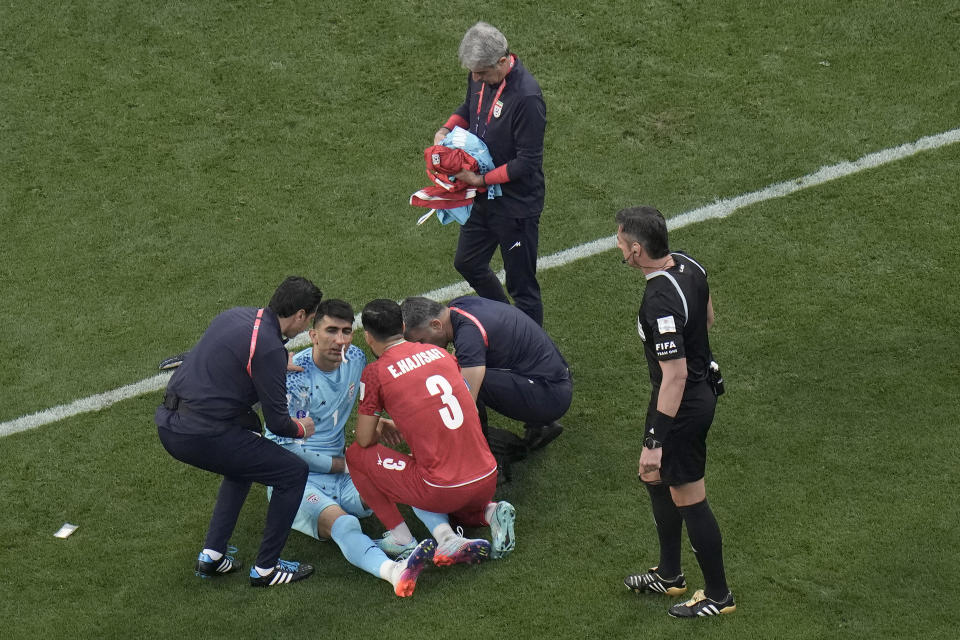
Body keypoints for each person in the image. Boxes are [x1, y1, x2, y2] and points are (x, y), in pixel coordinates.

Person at [155, 276, 322, 588]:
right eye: (309, 319)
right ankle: (266, 569)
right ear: (300, 314)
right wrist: (303, 427)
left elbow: (228, 355)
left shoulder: (236, 316)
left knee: (245, 457)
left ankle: (212, 555)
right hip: (200, 434)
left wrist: (273, 361)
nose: (306, 326)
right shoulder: (269, 349)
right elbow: (279, 423)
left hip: (171, 421)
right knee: (292, 473)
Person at [264, 299, 435, 597]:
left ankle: (445, 539)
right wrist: (341, 464)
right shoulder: (292, 379)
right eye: (331, 331)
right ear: (313, 335)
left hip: (344, 470)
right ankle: (394, 573)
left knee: (407, 476)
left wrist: (380, 423)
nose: (339, 340)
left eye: (346, 331)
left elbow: (362, 403)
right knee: (344, 526)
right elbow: (280, 448)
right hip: (297, 481)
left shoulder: (355, 359)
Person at [614, 206, 736, 618]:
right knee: (652, 476)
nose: (617, 246)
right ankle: (670, 575)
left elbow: (676, 375)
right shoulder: (688, 263)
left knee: (689, 496)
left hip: (682, 404)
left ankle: (719, 596)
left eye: (620, 241)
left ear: (635, 251)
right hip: (690, 391)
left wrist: (655, 439)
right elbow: (708, 317)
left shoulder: (659, 299)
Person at [345, 299, 516, 572]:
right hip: (487, 476)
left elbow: (364, 439)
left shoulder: (376, 372)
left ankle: (404, 539)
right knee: (431, 470)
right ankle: (489, 512)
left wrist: (379, 425)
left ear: (367, 336)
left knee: (355, 455)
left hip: (444, 488)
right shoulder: (439, 354)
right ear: (402, 326)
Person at [433, 21, 547, 326]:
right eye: (473, 72)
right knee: (468, 262)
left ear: (502, 61)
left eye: (482, 72)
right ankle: (508, 323)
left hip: (516, 205)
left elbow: (527, 163)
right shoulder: (480, 75)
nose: (476, 77)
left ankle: (536, 354)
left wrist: (480, 180)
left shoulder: (527, 98)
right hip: (483, 197)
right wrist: (447, 128)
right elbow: (470, 109)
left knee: (522, 287)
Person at [400, 295, 571, 457]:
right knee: (462, 368)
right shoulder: (459, 305)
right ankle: (541, 425)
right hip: (551, 380)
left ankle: (483, 457)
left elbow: (465, 404)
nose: (422, 349)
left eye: (421, 341)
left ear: (436, 325)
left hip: (550, 395)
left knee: (462, 384)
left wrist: (430, 445)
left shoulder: (468, 335)